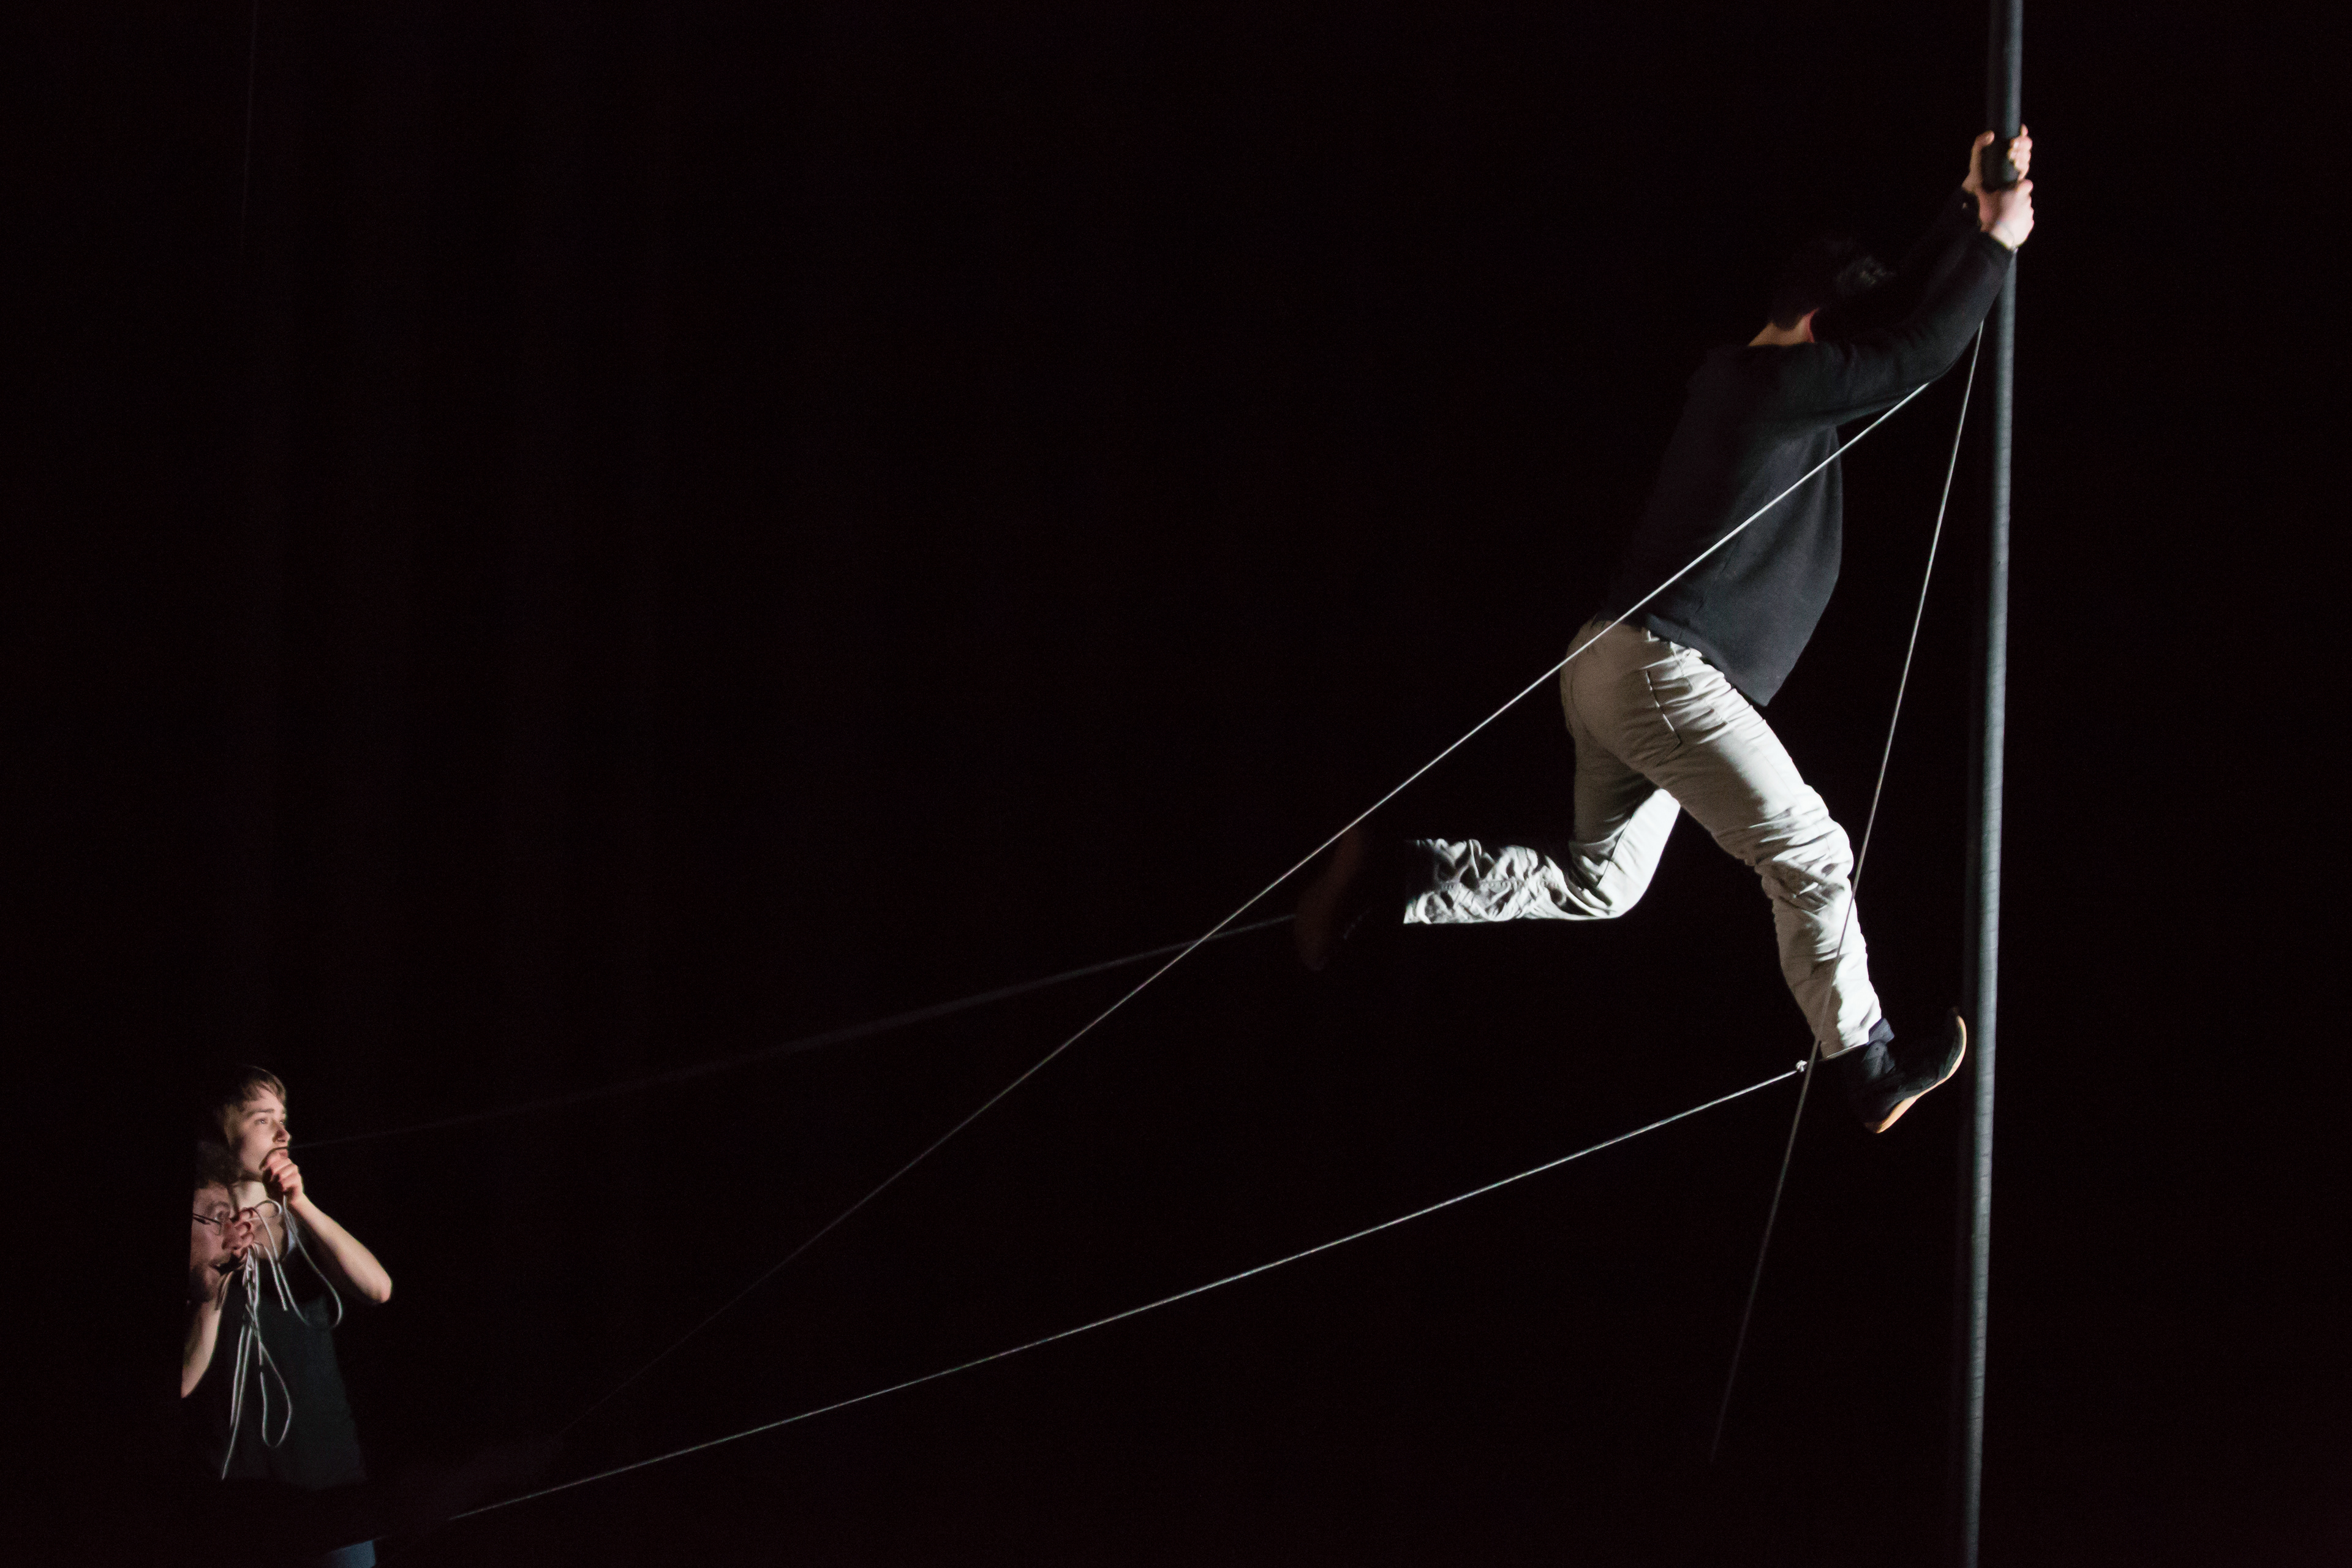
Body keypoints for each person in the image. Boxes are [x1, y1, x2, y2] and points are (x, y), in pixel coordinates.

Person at [1296, 130, 2036, 1134]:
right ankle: (1868, 1063)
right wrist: (1994, 248)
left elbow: (1898, 317)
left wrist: (1967, 210)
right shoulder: (1771, 391)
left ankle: (1399, 876)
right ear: (1821, 326)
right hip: (1664, 672)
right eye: (1845, 340)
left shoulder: (1759, 380)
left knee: (1605, 885)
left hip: (1620, 667)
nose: (1853, 366)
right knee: (1811, 851)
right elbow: (1919, 351)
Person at [184, 1066, 393, 1568]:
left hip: (328, 1472)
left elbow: (378, 1289)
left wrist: (300, 1204)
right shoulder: (200, 1228)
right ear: (222, 1130)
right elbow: (185, 1380)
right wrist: (216, 1282)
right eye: (263, 1120)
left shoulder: (299, 1219)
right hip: (237, 1482)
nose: (283, 1133)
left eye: (283, 1118)